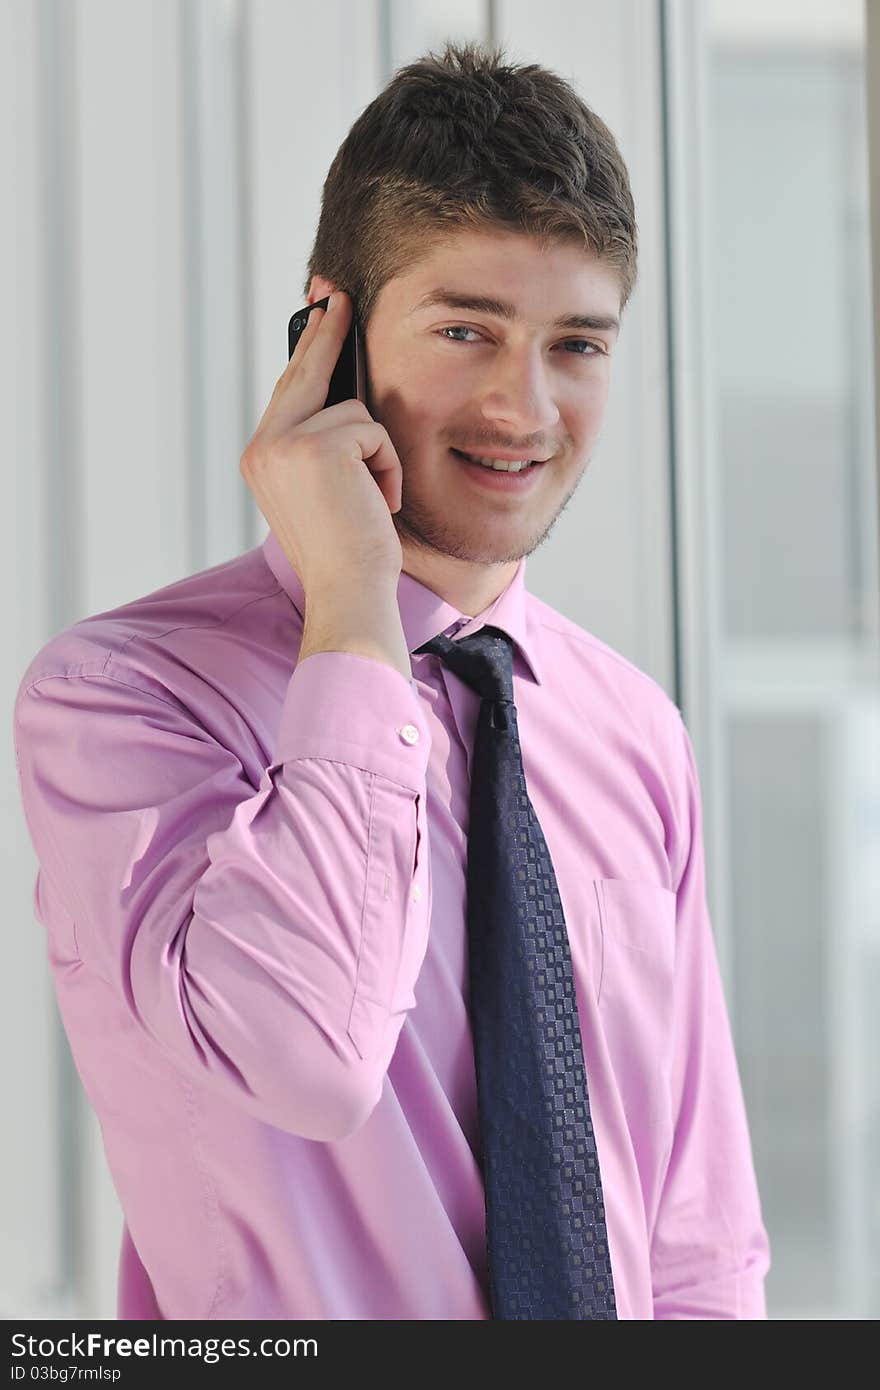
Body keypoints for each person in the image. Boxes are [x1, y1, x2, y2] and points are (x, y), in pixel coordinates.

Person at [12, 39, 770, 1320]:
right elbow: (304, 1058)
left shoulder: (633, 731)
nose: (523, 407)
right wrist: (354, 604)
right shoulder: (122, 701)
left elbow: (697, 1240)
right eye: (467, 328)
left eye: (574, 344)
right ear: (329, 332)